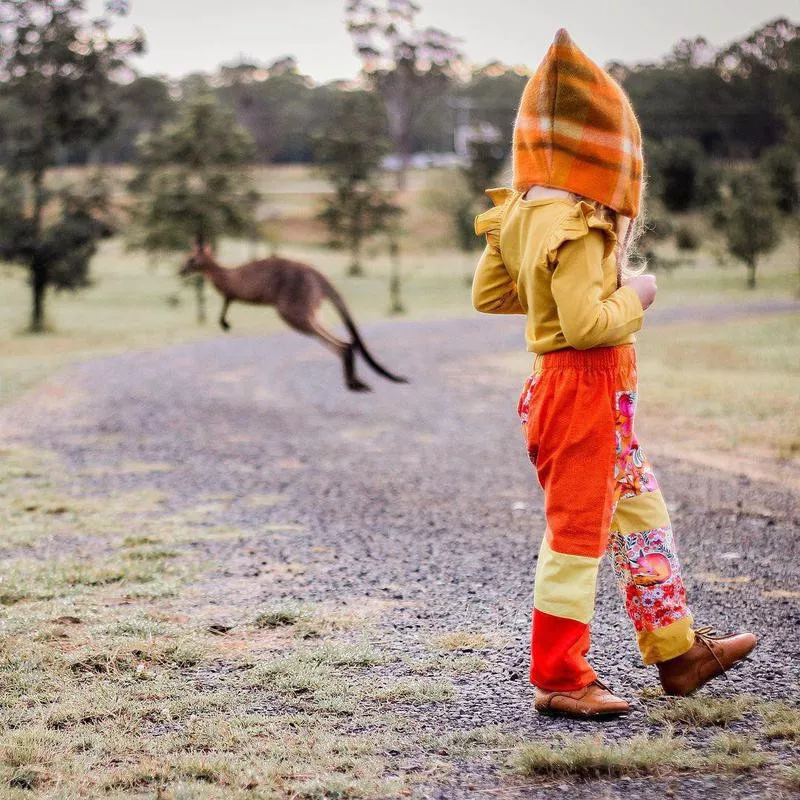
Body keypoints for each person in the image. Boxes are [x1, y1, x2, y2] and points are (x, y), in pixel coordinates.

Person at [472, 29, 757, 718]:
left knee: (641, 516)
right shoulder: (578, 221)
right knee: (576, 534)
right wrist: (638, 294)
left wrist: (550, 281)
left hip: (576, 395)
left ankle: (678, 652)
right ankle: (561, 677)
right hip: (582, 391)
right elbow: (586, 326)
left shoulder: (524, 212)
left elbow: (491, 294)